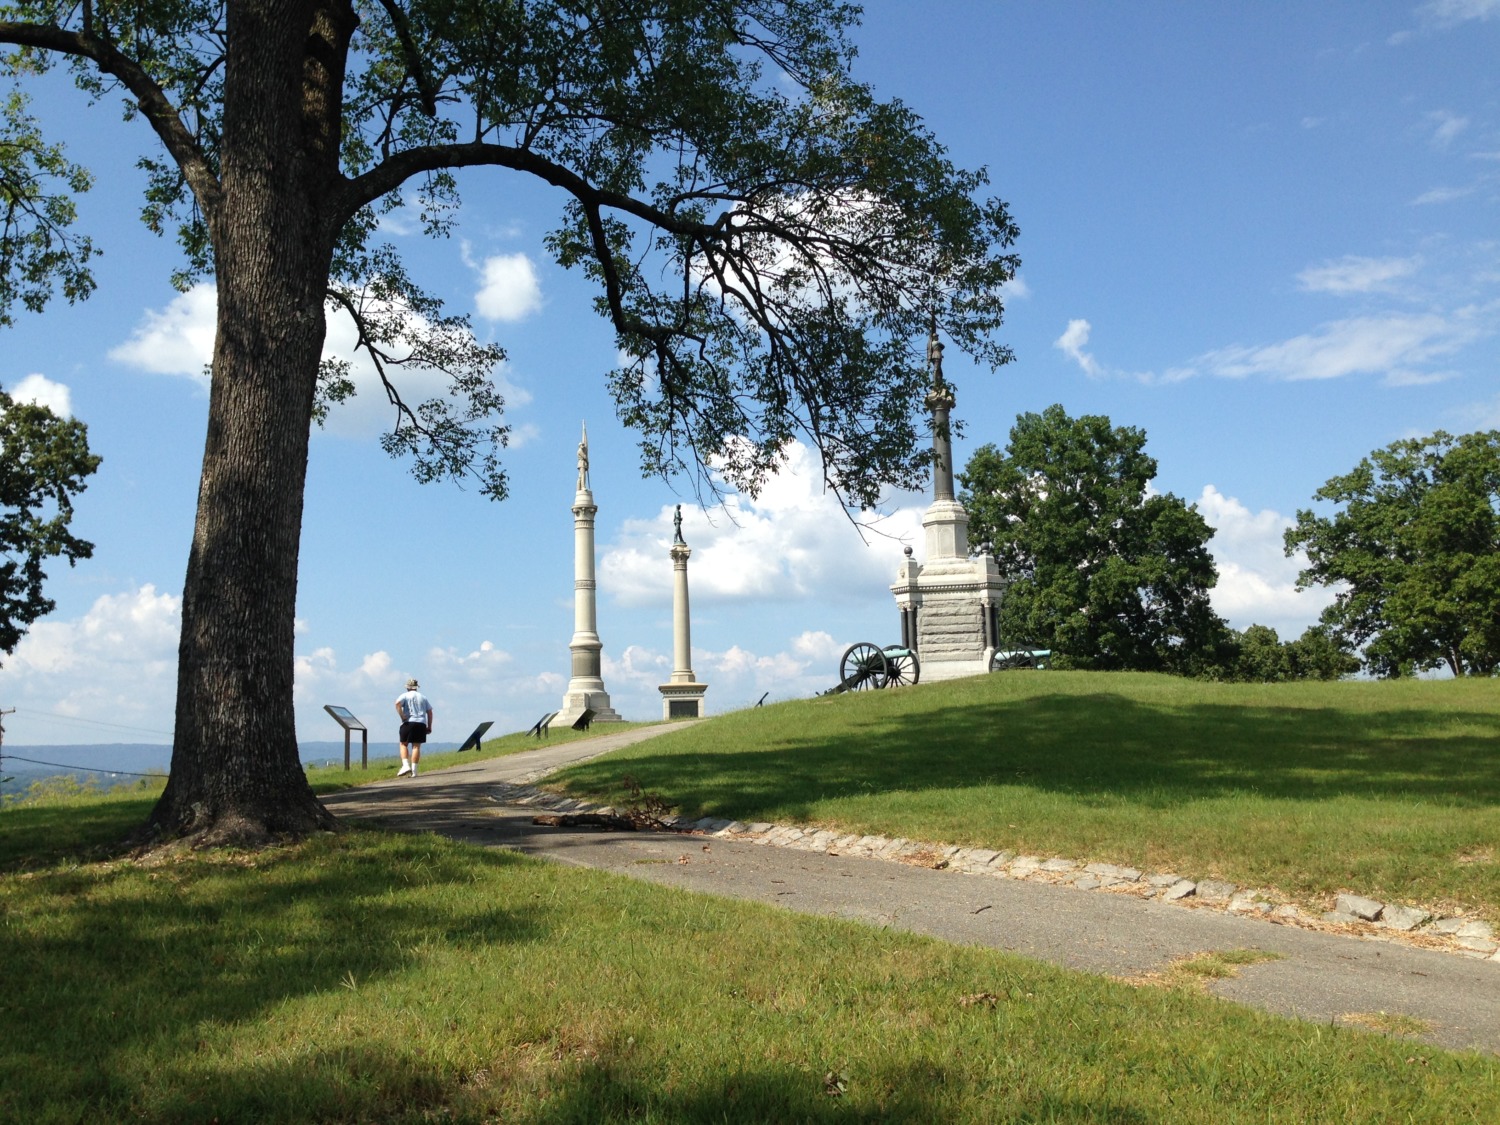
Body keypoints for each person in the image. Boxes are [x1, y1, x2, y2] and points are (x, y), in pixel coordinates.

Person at [393, 678, 434, 777]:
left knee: (403, 744)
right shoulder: (423, 697)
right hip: (421, 723)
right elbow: (429, 712)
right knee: (416, 746)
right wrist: (429, 726)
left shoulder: (405, 695)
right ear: (416, 687)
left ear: (407, 687)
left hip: (408, 722)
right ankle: (414, 771)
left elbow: (397, 703)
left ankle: (406, 765)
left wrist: (402, 716)